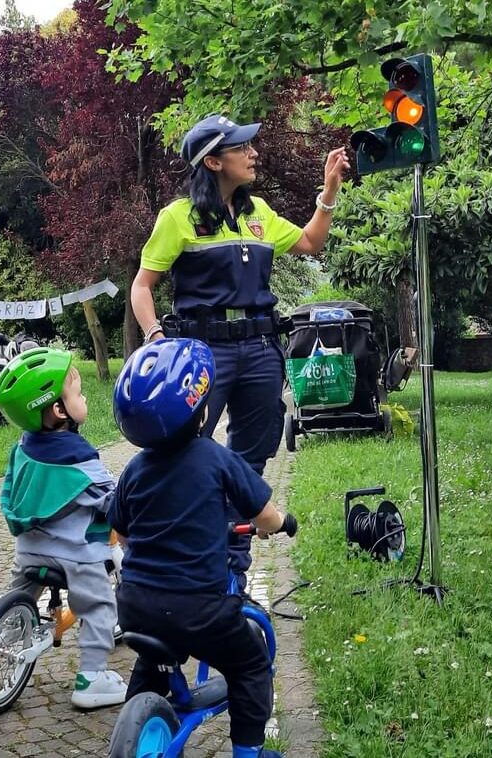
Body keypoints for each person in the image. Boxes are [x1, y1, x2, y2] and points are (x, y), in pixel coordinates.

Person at [130, 113, 349, 586]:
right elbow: (142, 287)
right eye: (241, 148)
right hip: (203, 353)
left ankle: (231, 570)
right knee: (180, 453)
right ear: (212, 161)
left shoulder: (259, 214)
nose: (253, 154)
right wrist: (155, 338)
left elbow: (311, 242)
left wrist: (328, 190)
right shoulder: (178, 218)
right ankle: (158, 563)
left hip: (260, 351)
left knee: (250, 459)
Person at [108, 338, 298, 758]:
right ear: (204, 410)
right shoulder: (216, 458)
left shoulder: (133, 472)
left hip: (136, 608)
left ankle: (138, 730)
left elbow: (120, 535)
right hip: (200, 610)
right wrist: (283, 524)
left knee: (154, 658)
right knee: (250, 665)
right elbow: (265, 515)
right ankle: (249, 752)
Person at [0, 347, 127, 710]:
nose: (83, 398)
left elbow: (11, 492)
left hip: (29, 550)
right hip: (77, 556)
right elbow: (113, 503)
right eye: (78, 395)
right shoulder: (78, 457)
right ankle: (92, 678)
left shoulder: (22, 449)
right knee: (99, 605)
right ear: (58, 410)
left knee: (16, 598)